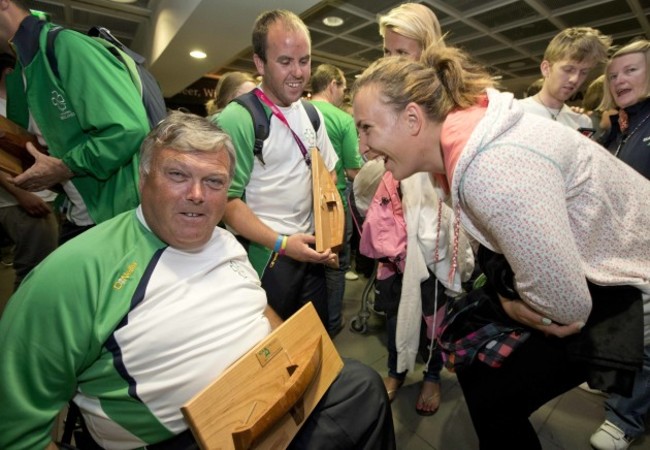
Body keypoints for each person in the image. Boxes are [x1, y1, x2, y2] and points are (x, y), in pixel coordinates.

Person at [0, 111, 395, 450]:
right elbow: (16, 430)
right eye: (177, 175)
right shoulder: (73, 273)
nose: (196, 195)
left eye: (214, 182)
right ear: (144, 178)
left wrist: (290, 361)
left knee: (361, 385)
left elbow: (256, 308)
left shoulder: (225, 241)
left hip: (270, 401)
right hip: (181, 438)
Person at [352, 45, 650, 449]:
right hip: (604, 267)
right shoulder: (470, 140)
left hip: (629, 282)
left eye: (367, 128)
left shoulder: (490, 169)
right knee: (483, 381)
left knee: (493, 397)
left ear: (412, 118)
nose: (362, 147)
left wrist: (508, 304)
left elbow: (566, 308)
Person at [362, 1, 474, 416]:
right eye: (386, 53)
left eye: (401, 54)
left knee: (436, 313)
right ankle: (396, 368)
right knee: (394, 308)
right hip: (396, 236)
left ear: (426, 50)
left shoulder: (450, 108)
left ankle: (431, 376)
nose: (391, 63)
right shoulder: (386, 100)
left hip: (435, 234)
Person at [216, 10, 338, 326]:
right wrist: (283, 244)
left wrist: (326, 234)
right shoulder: (238, 119)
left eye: (305, 60)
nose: (298, 72)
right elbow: (226, 202)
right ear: (260, 63)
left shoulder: (313, 114)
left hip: (309, 253)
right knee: (272, 351)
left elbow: (328, 176)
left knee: (316, 339)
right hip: (265, 257)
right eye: (285, 61)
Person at [0, 0, 150, 243]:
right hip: (76, 211)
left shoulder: (65, 45)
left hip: (114, 216)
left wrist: (65, 167)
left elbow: (126, 129)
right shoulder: (20, 71)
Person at [588, 39, 650, 450]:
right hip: (619, 252)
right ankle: (619, 394)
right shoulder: (621, 127)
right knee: (624, 326)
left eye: (630, 70)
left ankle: (626, 418)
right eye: (613, 75)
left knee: (645, 337)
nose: (619, 80)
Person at [310, 63, 364, 336]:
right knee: (336, 264)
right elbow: (354, 171)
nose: (343, 94)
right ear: (333, 85)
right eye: (343, 87)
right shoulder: (342, 119)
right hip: (332, 203)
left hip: (300, 204)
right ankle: (331, 323)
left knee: (306, 264)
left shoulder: (296, 111)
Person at [0, 52, 58, 293]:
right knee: (32, 275)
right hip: (18, 202)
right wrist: (21, 195)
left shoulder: (20, 102)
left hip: (38, 195)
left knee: (43, 270)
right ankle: (20, 329)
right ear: (8, 72)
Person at [518, 27, 611, 130]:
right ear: (546, 69)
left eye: (584, 72)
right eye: (568, 69)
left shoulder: (582, 122)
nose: (575, 79)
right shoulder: (515, 112)